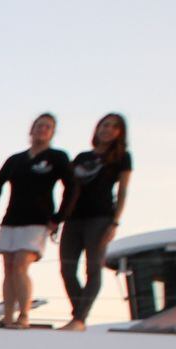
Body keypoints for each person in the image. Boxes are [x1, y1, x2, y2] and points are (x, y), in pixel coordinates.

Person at [0, 113, 76, 328]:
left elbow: (71, 187)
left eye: (48, 127)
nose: (42, 130)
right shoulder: (16, 160)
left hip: (38, 220)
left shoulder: (57, 157)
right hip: (12, 218)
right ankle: (7, 316)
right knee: (8, 267)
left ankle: (23, 315)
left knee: (21, 266)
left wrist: (59, 218)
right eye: (39, 125)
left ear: (52, 133)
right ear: (31, 129)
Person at [58, 114, 132, 331]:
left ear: (120, 132)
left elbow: (123, 190)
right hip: (73, 218)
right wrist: (59, 216)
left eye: (113, 127)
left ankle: (79, 318)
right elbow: (68, 188)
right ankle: (79, 314)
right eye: (104, 125)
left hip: (100, 217)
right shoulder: (81, 157)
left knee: (93, 267)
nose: (107, 129)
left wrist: (115, 222)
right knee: (67, 268)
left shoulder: (122, 157)